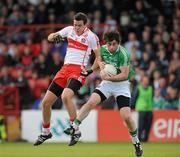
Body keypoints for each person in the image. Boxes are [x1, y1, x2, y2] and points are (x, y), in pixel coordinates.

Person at [64, 31, 143, 157]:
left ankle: (136, 141)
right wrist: (96, 68)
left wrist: (108, 77)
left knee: (126, 116)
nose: (111, 47)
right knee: (91, 102)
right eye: (109, 44)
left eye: (114, 44)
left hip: (121, 85)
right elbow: (99, 59)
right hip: (107, 83)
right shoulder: (103, 49)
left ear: (119, 43)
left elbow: (124, 74)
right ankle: (74, 126)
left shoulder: (124, 54)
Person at [34, 12, 100, 146]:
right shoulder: (69, 30)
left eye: (79, 26)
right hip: (64, 70)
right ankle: (46, 132)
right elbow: (50, 37)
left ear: (85, 25)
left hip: (78, 70)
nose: (76, 28)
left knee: (65, 96)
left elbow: (99, 57)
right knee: (46, 103)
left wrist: (91, 70)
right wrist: (54, 37)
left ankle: (74, 128)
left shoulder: (92, 37)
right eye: (75, 24)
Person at [134, 75, 153, 142]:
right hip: (141, 109)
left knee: (148, 126)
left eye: (147, 80)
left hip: (149, 109)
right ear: (141, 81)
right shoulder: (138, 88)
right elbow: (134, 97)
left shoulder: (151, 88)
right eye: (144, 80)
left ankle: (146, 139)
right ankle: (139, 139)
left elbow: (152, 97)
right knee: (141, 126)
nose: (145, 82)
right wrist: (132, 106)